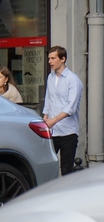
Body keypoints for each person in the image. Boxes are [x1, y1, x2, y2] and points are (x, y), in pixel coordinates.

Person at [42, 45, 83, 175]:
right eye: (49, 58)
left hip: (67, 132)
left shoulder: (73, 80)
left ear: (63, 59)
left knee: (66, 169)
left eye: (53, 58)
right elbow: (48, 98)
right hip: (52, 131)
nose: (50, 62)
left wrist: (54, 120)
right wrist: (45, 117)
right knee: (47, 167)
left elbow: (71, 107)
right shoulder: (51, 77)